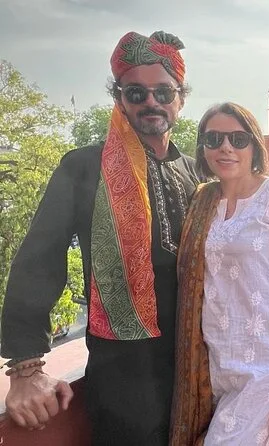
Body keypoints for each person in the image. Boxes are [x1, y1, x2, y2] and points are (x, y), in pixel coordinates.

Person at [1, 31, 199, 444]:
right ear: (119, 99)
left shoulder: (194, 172)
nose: (151, 102)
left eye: (164, 92)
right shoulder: (84, 166)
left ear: (180, 99)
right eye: (136, 92)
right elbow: (39, 261)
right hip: (125, 381)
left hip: (196, 367)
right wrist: (25, 368)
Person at [170, 102, 269, 445]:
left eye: (238, 139)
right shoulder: (202, 203)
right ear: (203, 148)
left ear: (254, 145)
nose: (225, 147)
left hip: (265, 374)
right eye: (214, 139)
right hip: (212, 372)